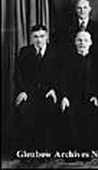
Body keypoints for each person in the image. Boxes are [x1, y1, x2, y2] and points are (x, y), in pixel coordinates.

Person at [14, 24, 59, 153]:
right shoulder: (24, 52)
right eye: (36, 37)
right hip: (30, 93)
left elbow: (61, 74)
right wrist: (22, 91)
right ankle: (29, 150)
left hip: (48, 92)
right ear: (31, 38)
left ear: (47, 37)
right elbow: (18, 74)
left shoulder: (55, 52)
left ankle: (47, 150)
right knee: (25, 110)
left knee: (50, 109)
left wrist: (54, 89)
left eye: (42, 36)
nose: (39, 40)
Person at [60, 31, 98, 152]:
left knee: (93, 112)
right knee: (70, 113)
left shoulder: (97, 60)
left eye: (85, 40)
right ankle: (75, 149)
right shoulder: (68, 60)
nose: (82, 43)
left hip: (91, 97)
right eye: (79, 40)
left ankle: (87, 149)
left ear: (91, 42)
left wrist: (96, 96)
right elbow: (63, 80)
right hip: (72, 98)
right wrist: (64, 97)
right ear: (75, 42)